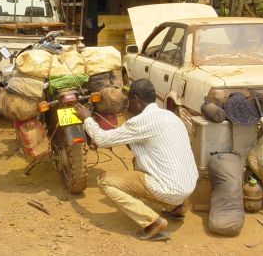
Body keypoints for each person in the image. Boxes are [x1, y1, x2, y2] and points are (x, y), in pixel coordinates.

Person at [74, 78, 199, 240]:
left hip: (170, 188)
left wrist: (87, 118)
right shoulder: (170, 116)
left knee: (105, 181)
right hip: (188, 185)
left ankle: (153, 223)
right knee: (137, 161)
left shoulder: (140, 122)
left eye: (129, 99)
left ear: (136, 100)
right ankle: (176, 207)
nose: (127, 104)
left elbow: (102, 140)